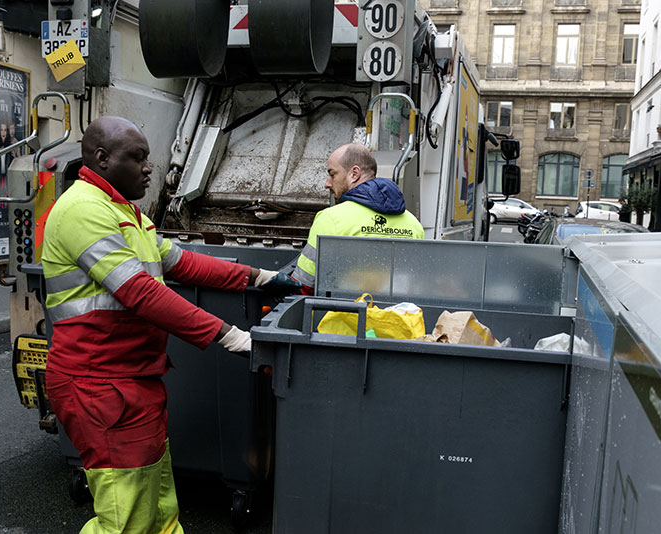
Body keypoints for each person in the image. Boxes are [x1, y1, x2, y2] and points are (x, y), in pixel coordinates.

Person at [41, 116, 299, 534]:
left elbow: (182, 261)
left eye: (148, 158)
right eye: (137, 158)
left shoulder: (126, 214)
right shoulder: (83, 210)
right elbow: (141, 292)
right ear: (103, 159)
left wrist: (260, 278)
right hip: (99, 384)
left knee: (158, 508)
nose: (149, 168)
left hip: (132, 381)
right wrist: (231, 336)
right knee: (126, 519)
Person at [292, 143, 425, 295]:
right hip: (397, 318)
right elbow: (416, 285)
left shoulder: (330, 219)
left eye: (332, 174)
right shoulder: (414, 225)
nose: (327, 184)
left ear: (354, 173)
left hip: (343, 317)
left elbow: (304, 285)